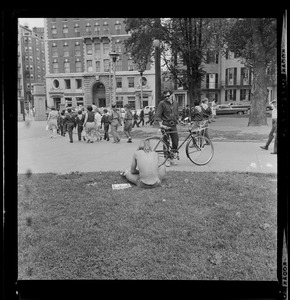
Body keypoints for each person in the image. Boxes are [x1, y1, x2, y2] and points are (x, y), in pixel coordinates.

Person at [155, 91, 179, 167]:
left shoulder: (175, 103)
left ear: (172, 95)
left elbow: (176, 113)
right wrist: (161, 125)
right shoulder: (162, 103)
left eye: (168, 96)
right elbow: (158, 115)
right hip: (165, 125)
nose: (167, 98)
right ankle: (167, 159)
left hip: (173, 125)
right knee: (166, 143)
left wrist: (179, 120)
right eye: (165, 96)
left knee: (175, 141)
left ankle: (171, 157)